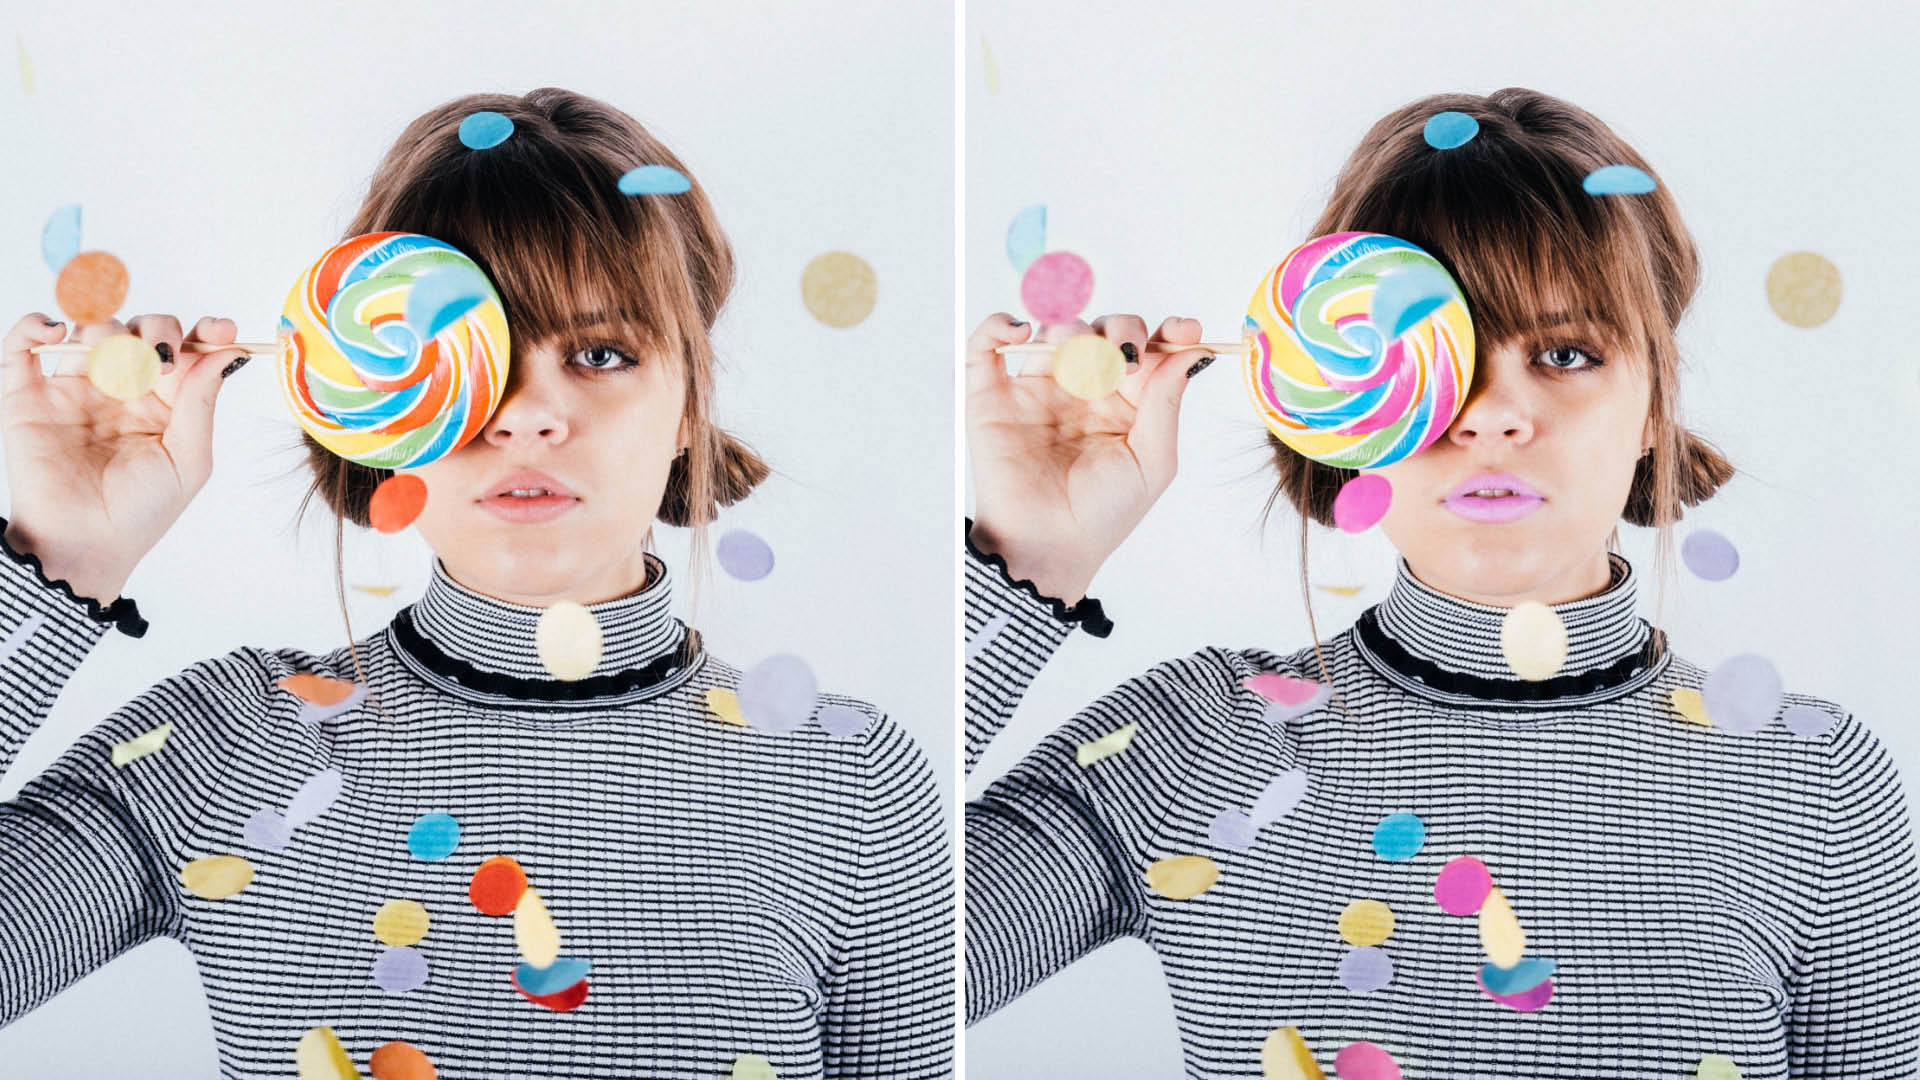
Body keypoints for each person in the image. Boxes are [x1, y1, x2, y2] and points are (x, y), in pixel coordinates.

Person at [963, 87, 1918, 1077]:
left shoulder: (1818, 788)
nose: (1495, 415)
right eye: (1435, 351)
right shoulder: (1193, 743)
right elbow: (878, 964)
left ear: (1652, 402)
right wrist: (1031, 555)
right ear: (1334, 404)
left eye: (1564, 351)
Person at [0, 88, 951, 1079]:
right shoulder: (227, 747)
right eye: (468, 352)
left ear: (687, 402)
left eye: (599, 352)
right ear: (372, 406)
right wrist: (60, 554)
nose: (529, 416)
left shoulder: (855, 786)